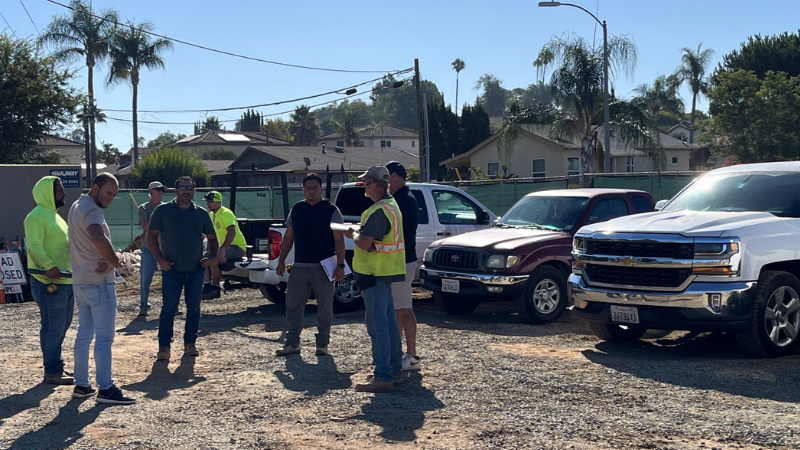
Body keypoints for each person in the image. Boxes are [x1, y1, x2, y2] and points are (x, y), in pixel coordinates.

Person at [68, 172, 135, 404]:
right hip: (98, 282)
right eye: (108, 193)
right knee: (104, 338)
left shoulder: (77, 205)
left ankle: (82, 385)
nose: (111, 198)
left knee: (84, 334)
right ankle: (106, 388)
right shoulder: (92, 210)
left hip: (81, 280)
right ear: (95, 188)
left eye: (115, 195)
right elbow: (97, 236)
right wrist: (116, 262)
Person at [344, 165, 405, 393]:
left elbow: (364, 242)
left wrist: (352, 233)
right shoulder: (390, 206)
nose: (363, 187)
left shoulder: (380, 210)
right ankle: (394, 371)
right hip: (385, 272)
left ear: (372, 182)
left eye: (365, 182)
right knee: (388, 323)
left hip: (375, 274)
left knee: (378, 325)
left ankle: (383, 376)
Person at [275, 174, 346, 357]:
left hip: (324, 266)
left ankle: (322, 344)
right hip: (300, 265)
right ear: (303, 189)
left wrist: (340, 265)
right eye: (308, 188)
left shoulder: (331, 210)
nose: (312, 191)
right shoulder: (297, 209)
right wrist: (281, 261)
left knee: (324, 305)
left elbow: (339, 240)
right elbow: (288, 237)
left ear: (321, 189)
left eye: (315, 187)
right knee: (293, 305)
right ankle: (292, 344)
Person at [147, 176, 217, 361]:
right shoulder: (163, 211)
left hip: (196, 270)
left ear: (194, 190)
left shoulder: (201, 213)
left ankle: (190, 344)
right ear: (176, 190)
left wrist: (211, 258)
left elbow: (212, 237)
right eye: (183, 187)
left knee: (193, 307)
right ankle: (164, 347)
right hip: (172, 270)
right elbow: (152, 236)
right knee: (169, 309)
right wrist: (160, 260)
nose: (186, 191)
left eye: (190, 188)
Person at [23, 176, 74, 385]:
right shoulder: (35, 217)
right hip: (48, 282)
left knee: (62, 326)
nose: (64, 194)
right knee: (53, 327)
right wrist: (47, 266)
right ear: (47, 193)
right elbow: (34, 246)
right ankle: (52, 372)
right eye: (60, 190)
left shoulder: (56, 217)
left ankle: (56, 366)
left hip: (65, 280)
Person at [386, 161, 421, 371]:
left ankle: (413, 355)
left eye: (386, 176)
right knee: (397, 309)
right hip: (399, 260)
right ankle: (398, 352)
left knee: (404, 309)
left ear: (394, 176)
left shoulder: (403, 200)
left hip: (402, 260)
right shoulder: (400, 198)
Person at [201, 191, 247, 300]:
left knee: (213, 259)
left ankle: (215, 289)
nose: (208, 203)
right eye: (208, 201)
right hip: (224, 247)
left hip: (237, 247)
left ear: (219, 202)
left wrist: (223, 249)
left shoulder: (226, 213)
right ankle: (207, 286)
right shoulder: (212, 215)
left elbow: (232, 232)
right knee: (204, 258)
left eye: (211, 201)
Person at [137, 181, 166, 316]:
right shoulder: (143, 208)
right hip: (149, 247)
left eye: (162, 190)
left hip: (165, 248)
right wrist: (161, 226)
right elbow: (144, 225)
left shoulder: (167, 208)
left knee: (169, 277)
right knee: (146, 278)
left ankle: (171, 305)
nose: (160, 192)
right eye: (157, 189)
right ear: (151, 192)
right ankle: (143, 305)